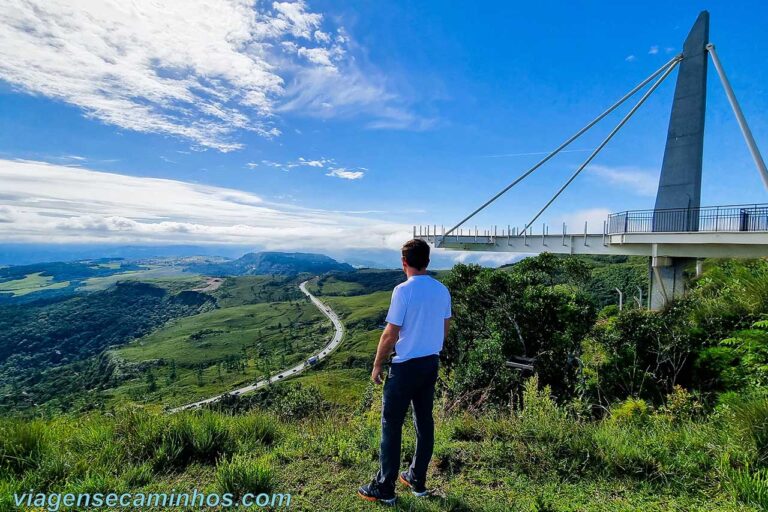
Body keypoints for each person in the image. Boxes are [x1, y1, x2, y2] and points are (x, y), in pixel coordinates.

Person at [357, 239, 452, 505]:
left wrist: (377, 364)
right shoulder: (442, 290)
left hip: (404, 367)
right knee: (424, 421)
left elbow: (390, 333)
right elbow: (445, 326)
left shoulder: (403, 291)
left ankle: (385, 487)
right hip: (430, 363)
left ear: (404, 262)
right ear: (428, 262)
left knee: (392, 426)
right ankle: (416, 479)